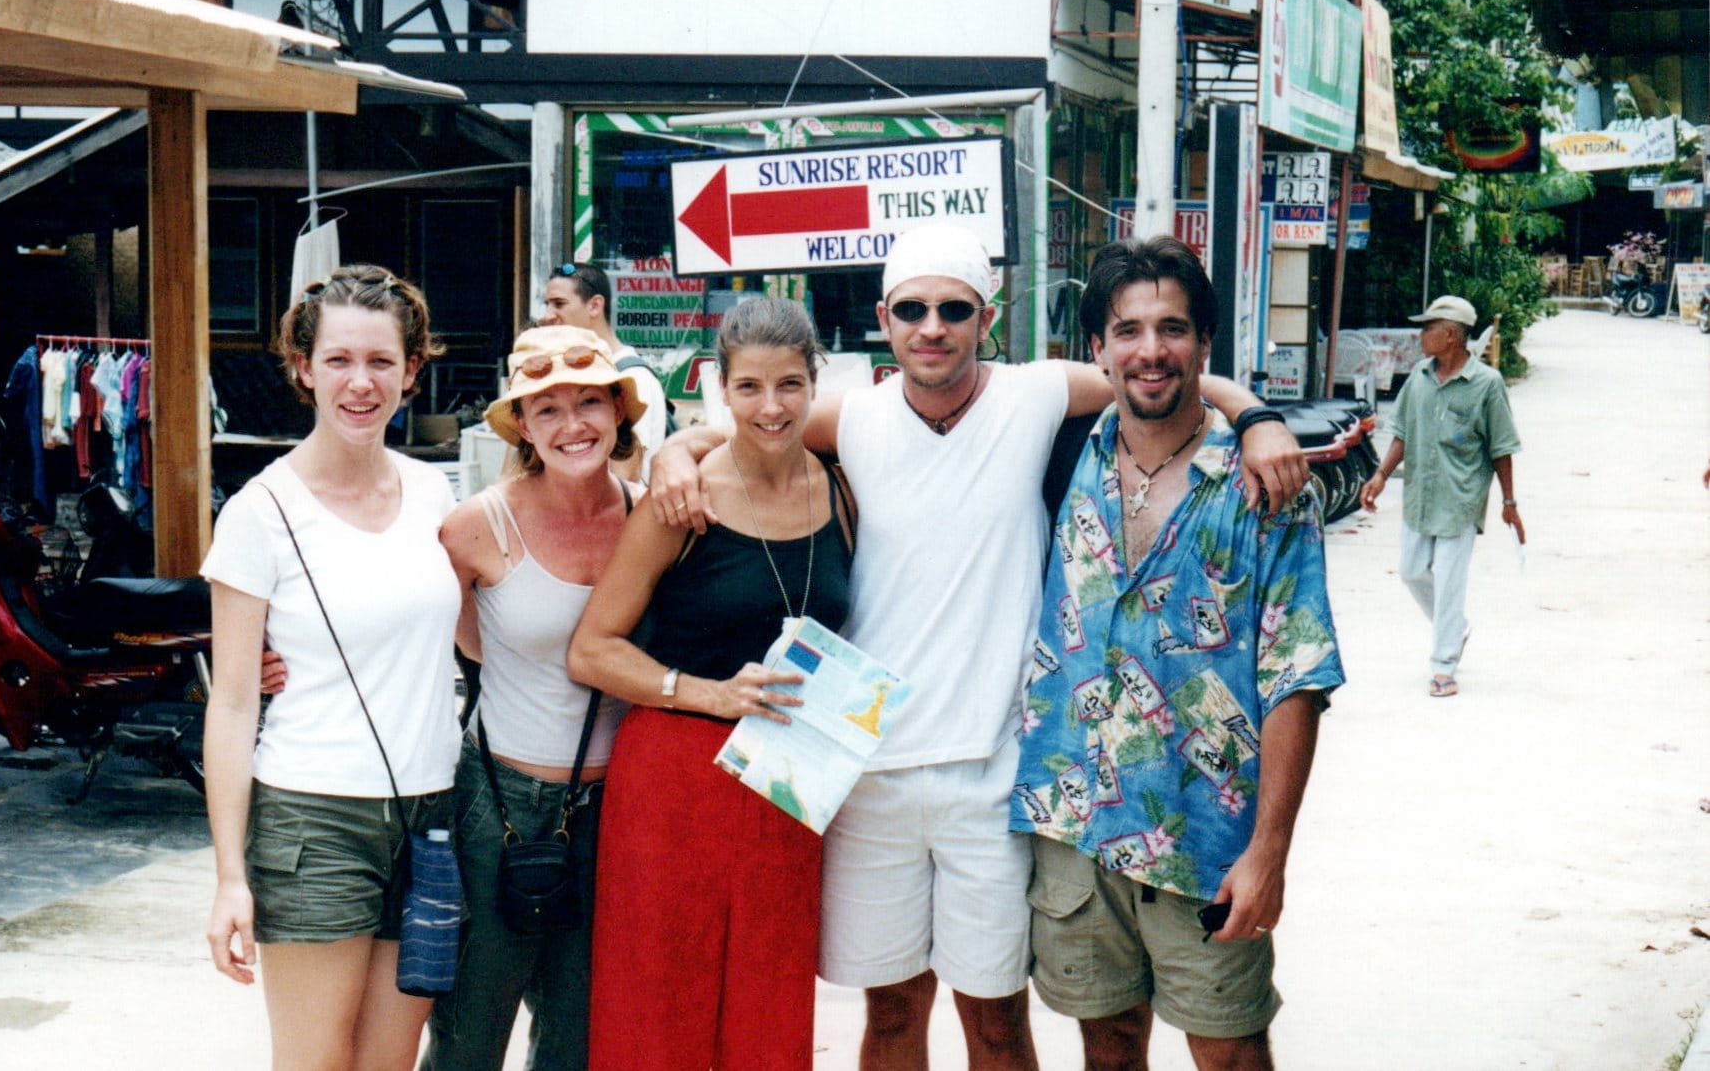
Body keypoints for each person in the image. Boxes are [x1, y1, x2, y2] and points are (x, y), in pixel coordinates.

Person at [649, 222, 1309, 1069]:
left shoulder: (1033, 395)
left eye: (953, 309)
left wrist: (1257, 418)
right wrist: (675, 451)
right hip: (866, 771)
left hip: (995, 778)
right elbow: (749, 424)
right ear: (883, 320)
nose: (932, 327)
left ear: (985, 318)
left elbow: (1155, 366)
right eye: (912, 310)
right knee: (891, 1014)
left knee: (996, 1022)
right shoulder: (851, 417)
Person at [1012, 235, 1344, 1071]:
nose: (1149, 350)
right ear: (1098, 349)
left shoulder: (1264, 487)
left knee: (1228, 1052)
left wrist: (1268, 852)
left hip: (1206, 840)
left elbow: (1296, 680)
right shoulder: (1056, 451)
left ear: (1203, 344)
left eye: (1172, 328)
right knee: (1108, 1048)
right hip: (1075, 828)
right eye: (1127, 330)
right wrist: (697, 448)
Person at [567, 296, 854, 1070]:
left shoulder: (840, 490)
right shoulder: (682, 499)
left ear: (814, 383)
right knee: (660, 1008)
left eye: (789, 385)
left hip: (788, 778)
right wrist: (709, 692)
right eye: (749, 387)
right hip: (675, 780)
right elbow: (591, 649)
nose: (771, 407)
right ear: (719, 388)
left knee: (769, 1006)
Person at [202, 265, 460, 1071]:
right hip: (314, 817)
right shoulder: (260, 512)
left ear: (412, 371)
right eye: (339, 360)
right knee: (316, 1061)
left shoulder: (434, 494)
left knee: (389, 1061)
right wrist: (230, 876)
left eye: (381, 361)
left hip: (431, 813)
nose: (361, 382)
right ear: (303, 369)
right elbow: (232, 703)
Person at [419, 325, 646, 1071]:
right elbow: (457, 644)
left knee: (581, 1032)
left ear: (619, 409)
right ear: (521, 424)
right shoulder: (474, 526)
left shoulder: (655, 516)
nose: (571, 424)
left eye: (589, 402)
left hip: (619, 806)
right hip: (500, 800)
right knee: (469, 1028)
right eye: (547, 409)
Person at [1361, 295, 1523, 698]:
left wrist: (1509, 503)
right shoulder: (1419, 377)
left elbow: (1501, 447)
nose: (1420, 335)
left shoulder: (1486, 384)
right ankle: (1455, 627)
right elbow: (1402, 432)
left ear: (1451, 335)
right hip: (1421, 494)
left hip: (1461, 498)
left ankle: (1443, 666)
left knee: (1450, 581)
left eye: (1428, 328)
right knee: (1411, 571)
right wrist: (1380, 475)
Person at [540, 261, 668, 479]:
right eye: (547, 305)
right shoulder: (581, 369)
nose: (548, 315)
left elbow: (625, 476)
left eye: (559, 304)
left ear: (595, 306)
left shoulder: (631, 377)